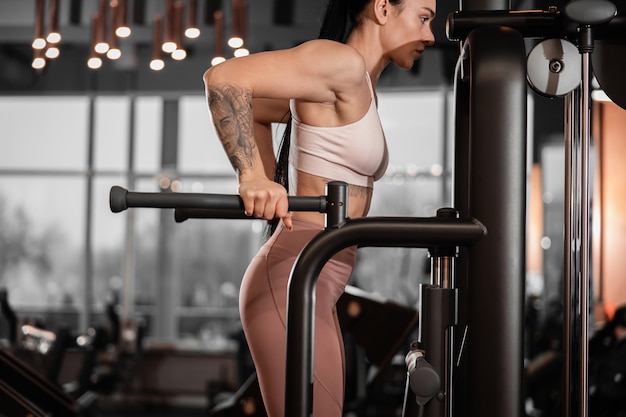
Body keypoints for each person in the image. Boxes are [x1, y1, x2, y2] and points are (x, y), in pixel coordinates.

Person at [203, 0, 436, 415]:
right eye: (423, 18)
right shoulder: (340, 62)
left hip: (319, 275)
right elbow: (223, 79)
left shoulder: (359, 83)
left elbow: (256, 109)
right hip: (294, 273)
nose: (430, 36)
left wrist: (274, 182)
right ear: (383, 8)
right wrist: (253, 178)